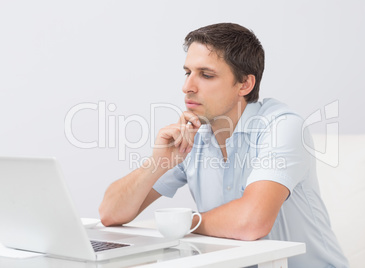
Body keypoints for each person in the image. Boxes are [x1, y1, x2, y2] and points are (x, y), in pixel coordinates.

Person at [99, 23, 349, 267]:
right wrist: (157, 162)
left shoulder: (282, 127)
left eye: (206, 75)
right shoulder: (192, 136)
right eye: (188, 73)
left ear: (245, 84)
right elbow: (110, 213)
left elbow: (252, 221)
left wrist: (185, 222)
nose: (187, 87)